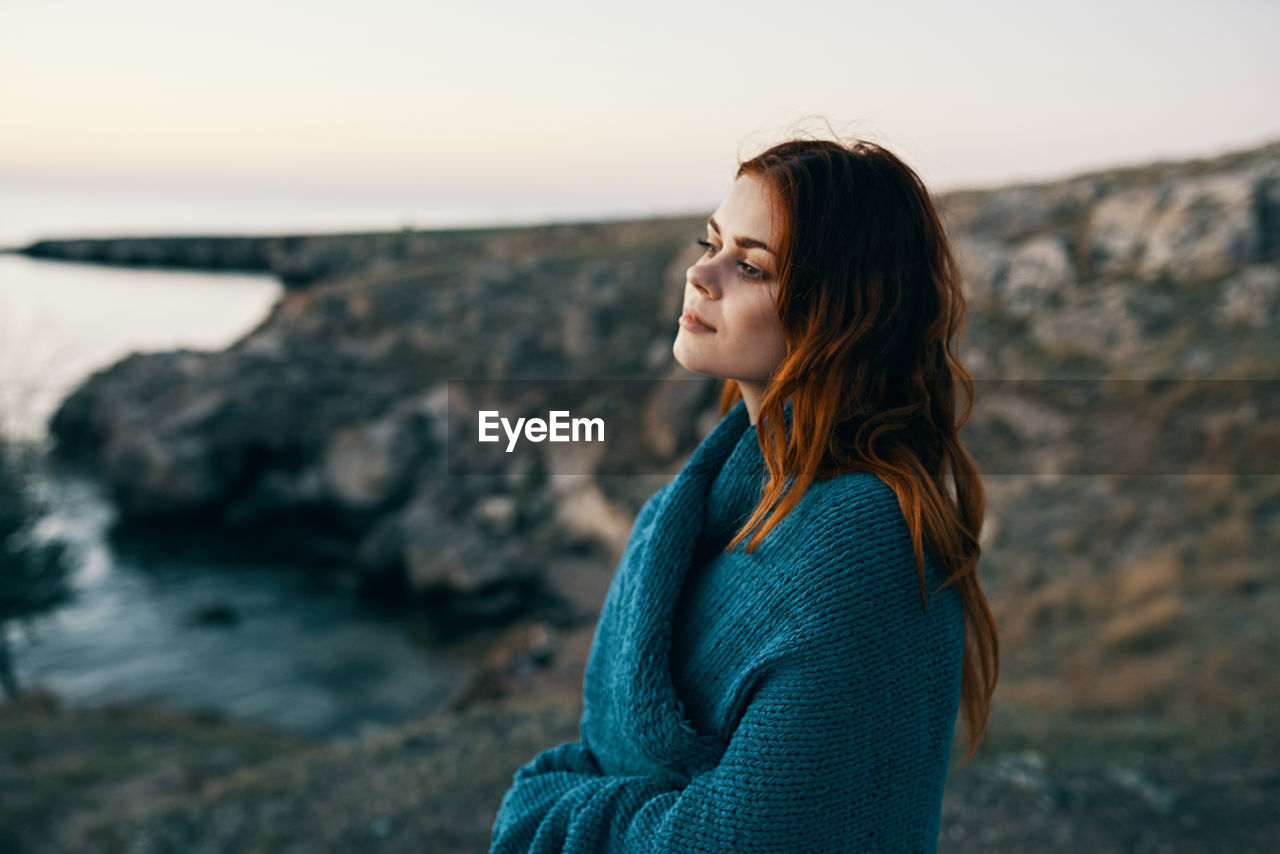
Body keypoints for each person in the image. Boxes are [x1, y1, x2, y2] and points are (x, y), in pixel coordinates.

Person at [489, 135, 999, 853]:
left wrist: (550, 808)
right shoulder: (704, 505)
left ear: (842, 314)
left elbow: (750, 835)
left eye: (751, 265)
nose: (701, 273)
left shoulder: (862, 547)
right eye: (712, 241)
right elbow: (611, 753)